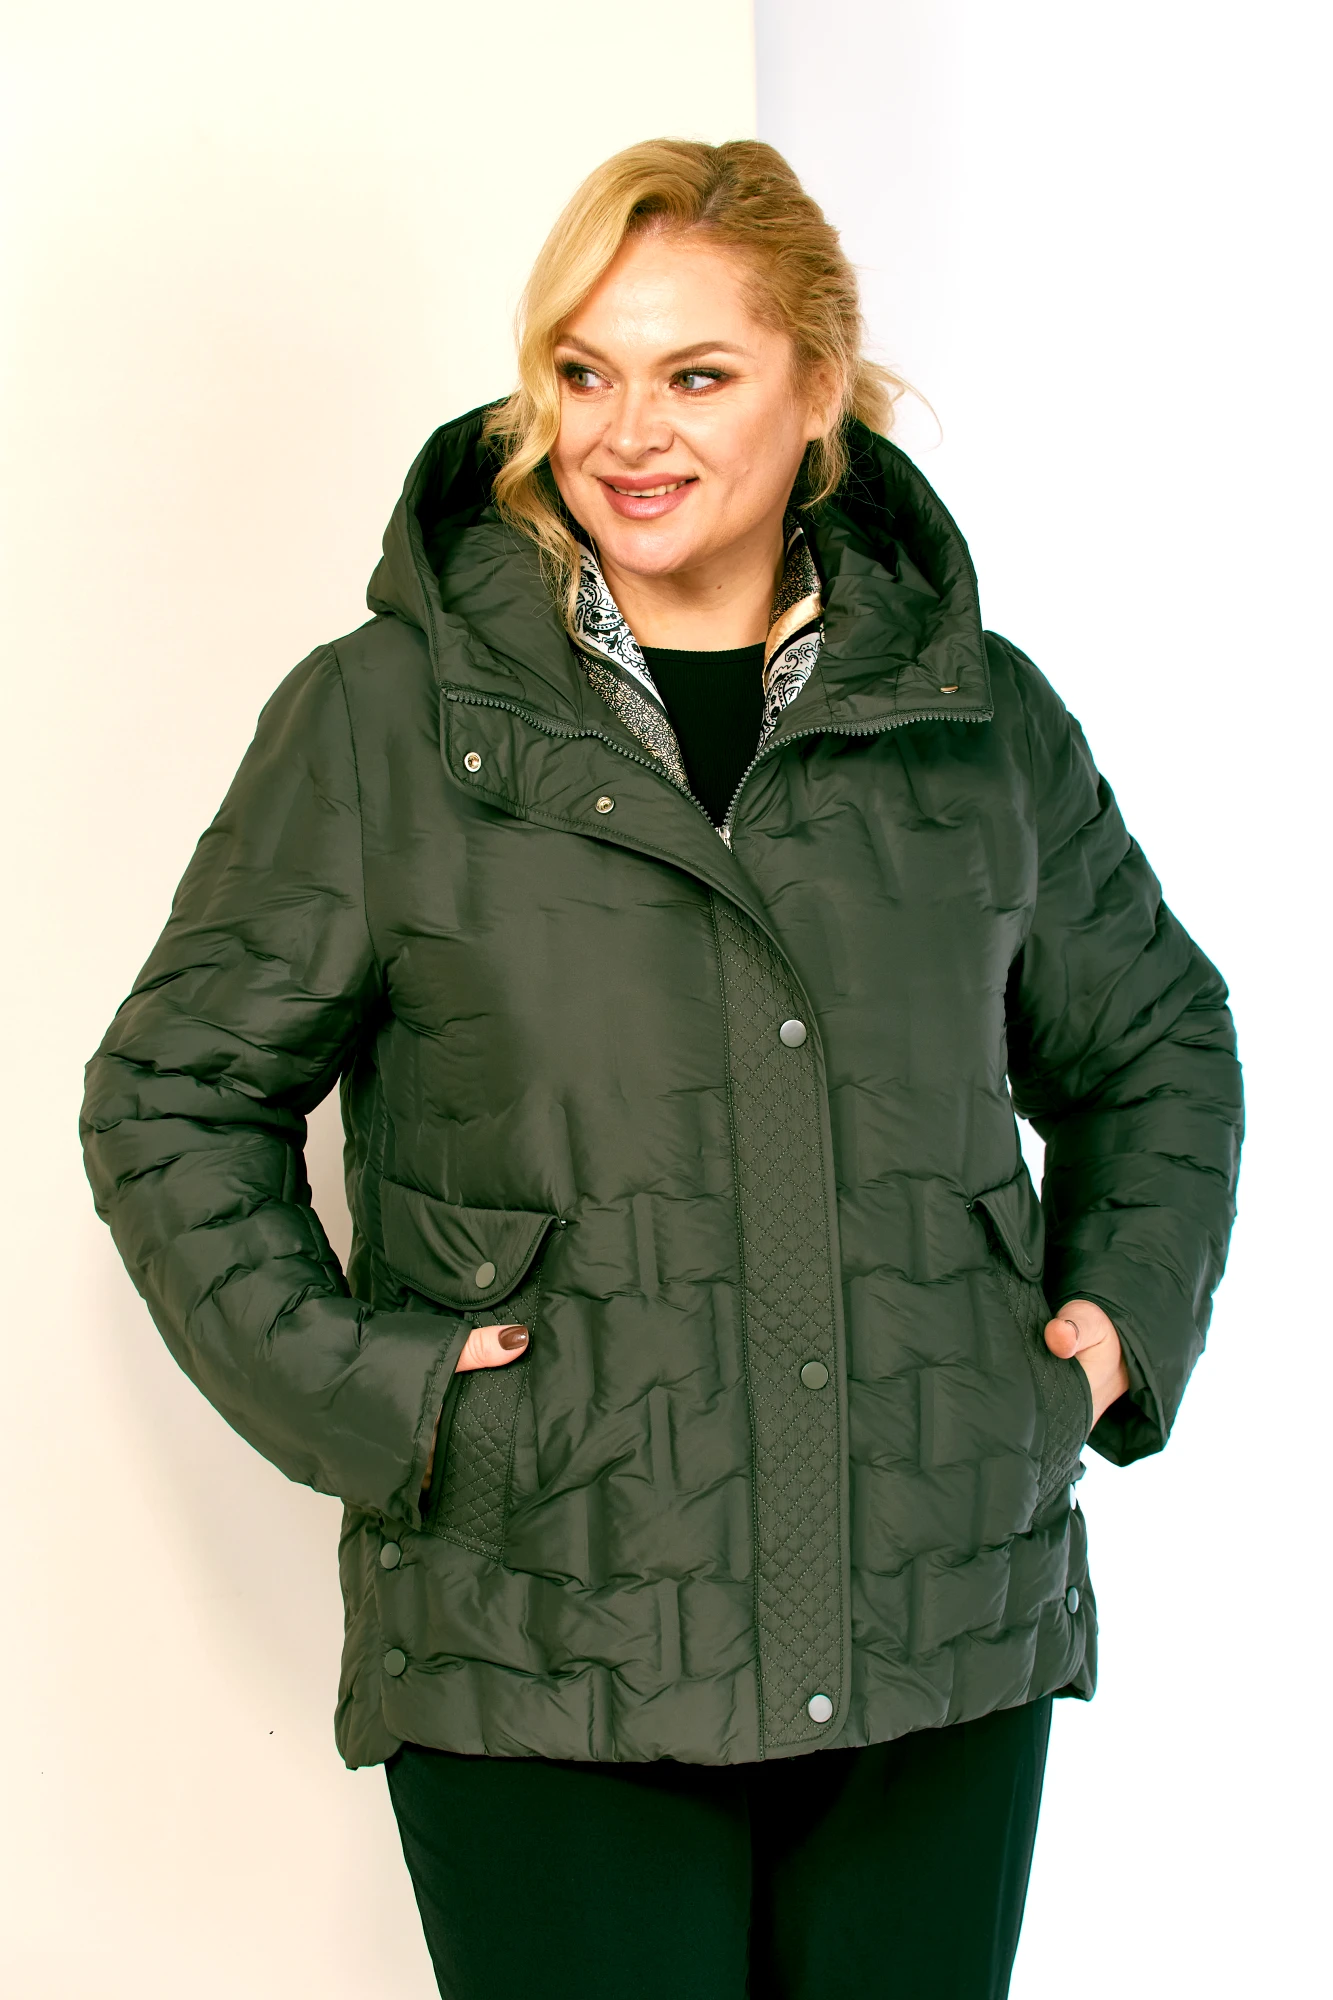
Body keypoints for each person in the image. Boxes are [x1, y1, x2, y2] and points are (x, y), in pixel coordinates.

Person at [80, 139, 1243, 1999]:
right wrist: (391, 1400)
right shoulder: (387, 722)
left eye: (696, 374)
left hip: (939, 1615)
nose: (628, 432)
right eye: (584, 370)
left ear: (820, 385)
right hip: (549, 1621)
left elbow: (1158, 1038)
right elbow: (172, 1096)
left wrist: (1115, 1323)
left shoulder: (975, 723)